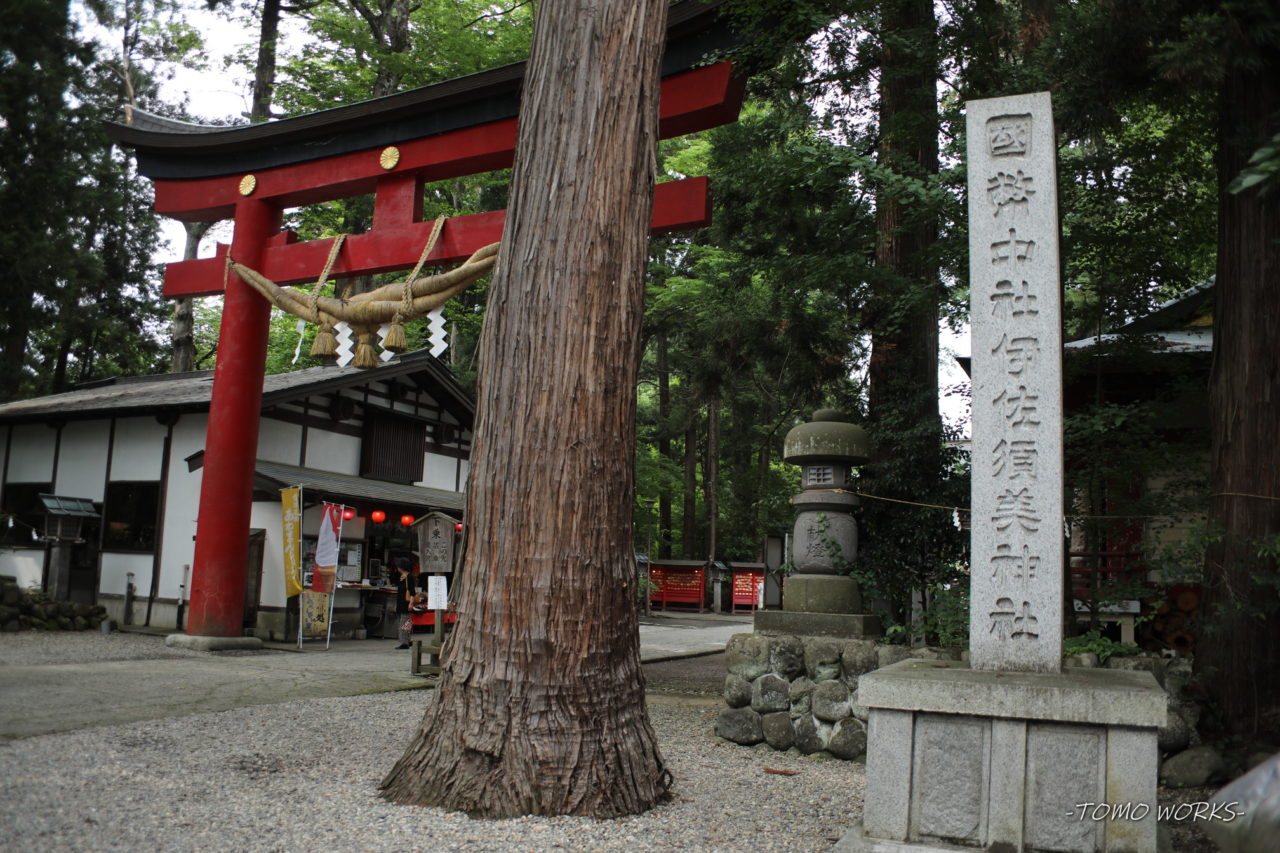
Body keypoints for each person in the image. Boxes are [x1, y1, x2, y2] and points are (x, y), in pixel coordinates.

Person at [394, 557, 416, 649]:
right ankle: (407, 640)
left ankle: (404, 643)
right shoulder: (401, 577)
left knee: (404, 623)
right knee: (404, 622)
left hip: (406, 604)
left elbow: (412, 592)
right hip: (400, 603)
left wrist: (411, 603)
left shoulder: (409, 577)